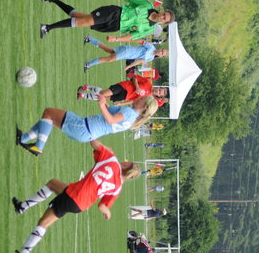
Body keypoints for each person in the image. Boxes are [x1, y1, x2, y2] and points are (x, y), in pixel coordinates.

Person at [12, 140, 140, 252]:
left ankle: (25, 251)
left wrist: (106, 148)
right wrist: (107, 212)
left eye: (126, 162)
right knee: (53, 184)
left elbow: (93, 142)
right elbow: (102, 206)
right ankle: (22, 206)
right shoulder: (118, 188)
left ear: (125, 165)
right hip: (81, 204)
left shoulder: (111, 160)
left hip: (73, 196)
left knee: (43, 223)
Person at [15, 95, 158, 156]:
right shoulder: (132, 119)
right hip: (86, 132)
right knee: (49, 117)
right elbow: (111, 115)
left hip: (83, 127)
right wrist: (103, 102)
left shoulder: (129, 112)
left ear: (144, 106)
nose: (139, 98)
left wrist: (101, 105)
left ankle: (38, 147)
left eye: (142, 99)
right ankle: (23, 138)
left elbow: (111, 120)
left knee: (49, 113)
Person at [38, 0, 174, 39]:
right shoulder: (147, 5)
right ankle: (48, 27)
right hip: (114, 13)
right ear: (163, 11)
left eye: (164, 19)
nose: (162, 17)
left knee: (78, 17)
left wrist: (117, 39)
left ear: (163, 23)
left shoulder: (149, 29)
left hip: (114, 26)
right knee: (83, 22)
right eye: (164, 14)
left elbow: (132, 36)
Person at [82, 35, 168, 72]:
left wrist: (129, 66)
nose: (160, 52)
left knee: (108, 50)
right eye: (162, 50)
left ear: (161, 56)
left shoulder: (151, 58)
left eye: (162, 53)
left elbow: (138, 61)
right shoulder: (151, 47)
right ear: (161, 48)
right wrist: (129, 39)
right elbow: (140, 41)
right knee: (109, 59)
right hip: (126, 51)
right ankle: (88, 64)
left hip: (126, 54)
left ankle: (89, 38)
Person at [77, 76, 169, 102]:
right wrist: (137, 87)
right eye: (159, 90)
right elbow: (134, 78)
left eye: (159, 93)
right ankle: (85, 91)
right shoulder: (148, 83)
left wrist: (122, 103)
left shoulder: (149, 98)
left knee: (103, 98)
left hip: (125, 96)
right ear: (159, 87)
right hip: (125, 87)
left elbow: (134, 100)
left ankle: (84, 93)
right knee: (103, 93)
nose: (158, 91)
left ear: (158, 96)